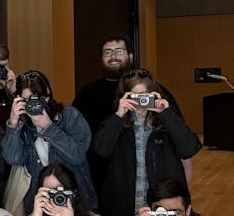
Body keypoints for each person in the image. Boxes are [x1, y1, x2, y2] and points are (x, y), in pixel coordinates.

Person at [92, 69, 201, 216]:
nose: (141, 103)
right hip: (125, 209)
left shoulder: (166, 124)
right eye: (135, 97)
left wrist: (166, 113)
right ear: (124, 97)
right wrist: (119, 114)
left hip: (163, 206)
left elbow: (189, 148)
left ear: (155, 94)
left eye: (146, 96)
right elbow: (101, 150)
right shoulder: (117, 124)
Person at [72, 34, 185, 194]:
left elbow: (179, 135)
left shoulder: (153, 91)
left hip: (149, 173)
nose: (113, 57)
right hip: (99, 174)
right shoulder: (87, 93)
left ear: (130, 56)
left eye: (119, 51)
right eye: (107, 52)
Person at [1, 70, 96, 215]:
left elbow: (77, 155)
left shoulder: (70, 116)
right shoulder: (23, 124)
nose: (32, 105)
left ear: (47, 93)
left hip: (74, 202)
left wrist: (49, 128)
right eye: (26, 100)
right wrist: (13, 124)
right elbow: (13, 158)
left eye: (36, 99)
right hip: (38, 204)